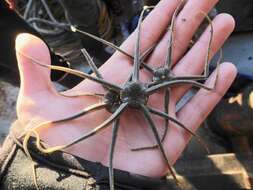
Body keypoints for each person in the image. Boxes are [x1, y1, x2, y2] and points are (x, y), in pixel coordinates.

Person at [0, 0, 237, 189]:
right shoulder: (129, 87)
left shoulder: (147, 88)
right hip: (124, 97)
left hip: (133, 97)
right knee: (98, 76)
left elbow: (164, 119)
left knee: (106, 74)